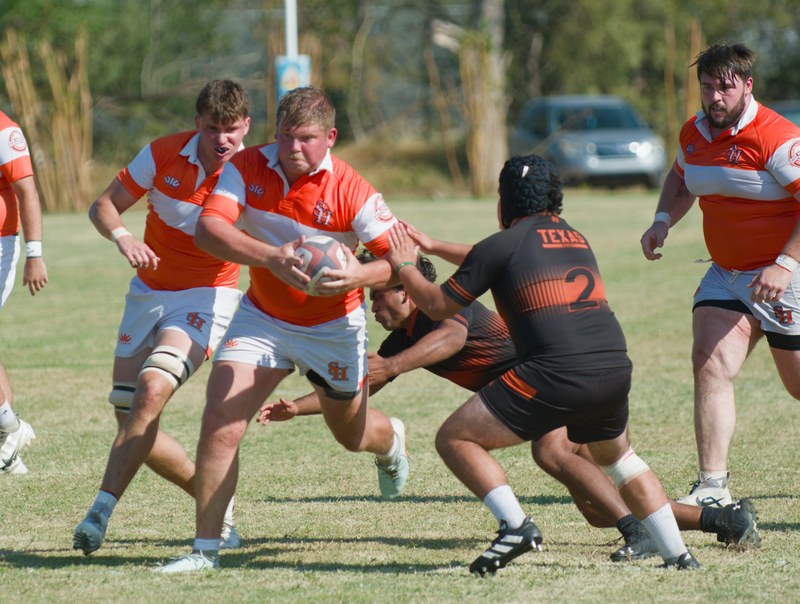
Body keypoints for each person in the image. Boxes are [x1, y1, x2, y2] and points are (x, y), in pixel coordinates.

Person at [260, 252, 760, 563]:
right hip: (538, 393)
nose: (373, 307)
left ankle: (639, 533)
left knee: (552, 454)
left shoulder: (442, 311)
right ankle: (723, 522)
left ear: (407, 296)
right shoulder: (399, 341)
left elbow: (453, 338)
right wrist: (297, 407)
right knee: (595, 506)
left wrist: (394, 367)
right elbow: (359, 389)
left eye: (378, 297)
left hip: (548, 380)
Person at [381, 154, 701, 575]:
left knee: (455, 438)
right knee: (622, 462)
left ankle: (514, 526)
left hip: (555, 372)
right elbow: (492, 257)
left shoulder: (503, 244)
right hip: (613, 367)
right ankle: (679, 555)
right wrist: (434, 246)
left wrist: (405, 265)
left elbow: (438, 303)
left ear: (505, 202)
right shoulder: (573, 237)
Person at [154, 85, 408, 573]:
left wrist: (358, 274)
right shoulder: (246, 166)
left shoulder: (353, 190)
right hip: (262, 318)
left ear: (330, 137)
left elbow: (404, 262)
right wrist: (272, 257)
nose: (292, 148)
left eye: (307, 138)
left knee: (351, 435)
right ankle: (207, 548)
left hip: (333, 327)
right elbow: (210, 230)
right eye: (285, 136)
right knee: (221, 422)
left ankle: (390, 441)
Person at [72, 80, 251, 555]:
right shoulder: (162, 154)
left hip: (207, 296)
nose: (222, 140)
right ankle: (214, 499)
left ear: (246, 127)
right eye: (213, 128)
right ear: (197, 124)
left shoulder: (256, 171)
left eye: (231, 129)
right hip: (147, 294)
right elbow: (103, 205)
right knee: (128, 414)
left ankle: (100, 511)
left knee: (152, 390)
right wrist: (124, 238)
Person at [640, 43, 800, 508]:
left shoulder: (777, 137)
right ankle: (712, 485)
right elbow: (680, 176)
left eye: (725, 88)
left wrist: (785, 263)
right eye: (707, 87)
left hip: (785, 274)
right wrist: (662, 220)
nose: (715, 98)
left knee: (796, 386)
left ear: (747, 86)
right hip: (726, 275)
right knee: (709, 363)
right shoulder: (694, 131)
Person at [0, 110, 48, 474]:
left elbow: (26, 190)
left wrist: (35, 254)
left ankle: (9, 428)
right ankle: (10, 441)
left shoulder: (5, 130)